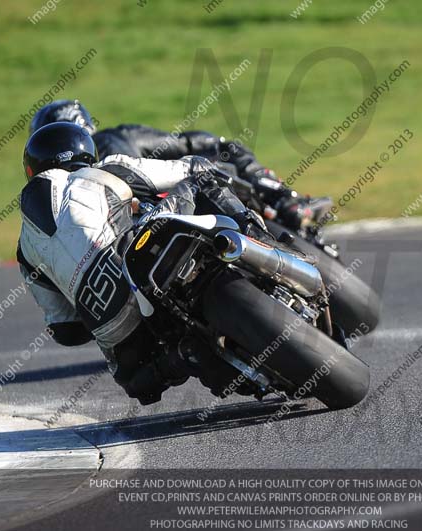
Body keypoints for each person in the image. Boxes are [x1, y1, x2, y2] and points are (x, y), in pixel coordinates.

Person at [17, 122, 261, 405]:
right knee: (200, 180)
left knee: (138, 380)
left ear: (31, 170)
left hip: (125, 344)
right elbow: (189, 170)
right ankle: (257, 234)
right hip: (146, 265)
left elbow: (66, 330)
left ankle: (187, 355)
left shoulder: (24, 248)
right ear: (84, 152)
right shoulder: (104, 170)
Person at [29, 100, 325, 231]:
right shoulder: (116, 138)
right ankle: (284, 200)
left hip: (145, 231)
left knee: (222, 158)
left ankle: (278, 199)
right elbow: (186, 144)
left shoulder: (55, 202)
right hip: (174, 204)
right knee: (223, 153)